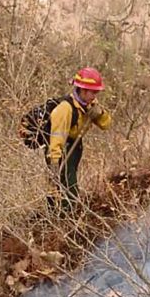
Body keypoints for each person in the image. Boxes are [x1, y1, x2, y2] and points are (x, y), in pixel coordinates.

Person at [47, 67, 112, 210]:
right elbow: (56, 138)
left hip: (75, 147)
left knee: (66, 188)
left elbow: (106, 125)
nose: (95, 96)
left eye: (97, 92)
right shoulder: (65, 109)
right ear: (82, 90)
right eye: (92, 92)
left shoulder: (89, 105)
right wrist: (54, 164)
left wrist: (100, 113)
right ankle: (62, 222)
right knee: (67, 191)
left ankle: (59, 217)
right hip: (62, 150)